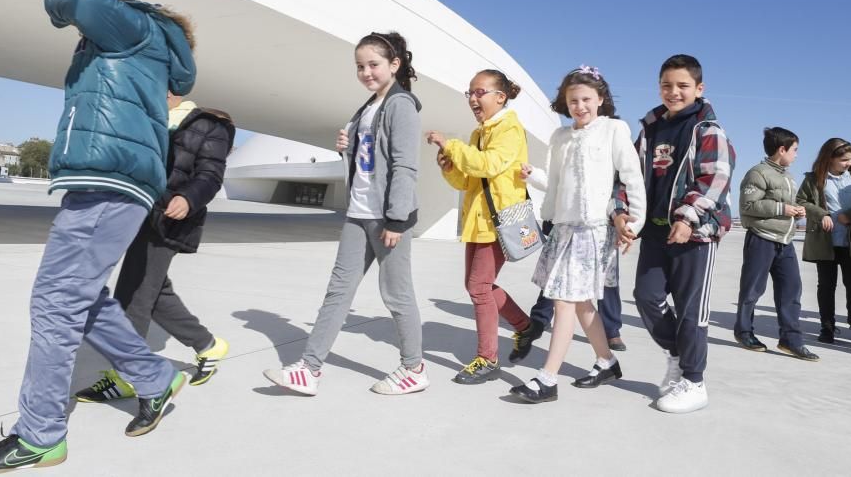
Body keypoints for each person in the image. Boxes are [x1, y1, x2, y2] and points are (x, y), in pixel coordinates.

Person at [0, 0, 196, 474]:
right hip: (108, 181)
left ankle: (40, 435)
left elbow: (78, 1)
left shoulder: (132, 25)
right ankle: (154, 378)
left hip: (109, 183)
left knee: (53, 304)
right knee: (80, 297)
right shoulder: (134, 37)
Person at [264, 32, 427, 395]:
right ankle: (308, 368)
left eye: (374, 64)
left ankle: (414, 368)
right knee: (338, 292)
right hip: (358, 212)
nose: (366, 72)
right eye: (360, 66)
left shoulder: (401, 105)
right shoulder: (369, 106)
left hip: (387, 217)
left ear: (394, 65)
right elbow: (370, 164)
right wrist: (348, 148)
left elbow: (405, 167)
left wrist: (397, 220)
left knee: (397, 295)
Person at [74, 92, 236, 402]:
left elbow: (210, 175)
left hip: (170, 217)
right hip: (135, 213)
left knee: (134, 295)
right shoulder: (143, 117)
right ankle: (208, 345)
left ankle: (129, 377)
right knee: (154, 290)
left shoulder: (208, 124)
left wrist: (188, 198)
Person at [508, 66, 645, 403]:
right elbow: (554, 182)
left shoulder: (614, 129)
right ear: (564, 103)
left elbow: (632, 177)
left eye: (586, 99)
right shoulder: (560, 137)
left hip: (595, 230)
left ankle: (547, 378)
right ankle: (606, 362)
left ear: (600, 99)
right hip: (564, 228)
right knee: (582, 304)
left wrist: (634, 222)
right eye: (573, 100)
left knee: (564, 301)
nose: (579, 105)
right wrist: (532, 175)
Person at [612, 54, 735, 414]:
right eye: (667, 85)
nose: (674, 92)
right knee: (646, 296)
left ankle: (694, 382)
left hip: (695, 234)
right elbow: (628, 176)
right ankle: (678, 355)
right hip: (654, 231)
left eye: (682, 85)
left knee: (691, 311)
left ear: (699, 88)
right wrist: (621, 212)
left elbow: (715, 179)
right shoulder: (649, 128)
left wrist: (688, 218)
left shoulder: (708, 130)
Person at [425, 69, 541, 384]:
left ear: (500, 97)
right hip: (478, 220)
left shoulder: (509, 129)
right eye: (470, 93)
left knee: (478, 287)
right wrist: (449, 166)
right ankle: (525, 325)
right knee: (477, 285)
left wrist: (451, 145)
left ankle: (487, 359)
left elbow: (490, 164)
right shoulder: (479, 132)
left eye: (480, 92)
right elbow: (469, 179)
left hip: (500, 220)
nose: (473, 99)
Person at [734, 127, 818, 361]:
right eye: (795, 150)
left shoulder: (788, 176)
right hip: (761, 239)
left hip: (785, 241)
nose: (797, 154)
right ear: (782, 149)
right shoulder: (757, 173)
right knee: (752, 290)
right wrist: (782, 208)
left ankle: (791, 340)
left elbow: (787, 206)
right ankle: (743, 331)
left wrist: (797, 212)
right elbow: (748, 207)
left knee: (791, 290)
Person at [797, 138, 851, 344]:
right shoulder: (814, 179)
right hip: (825, 242)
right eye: (844, 159)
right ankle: (827, 326)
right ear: (829, 158)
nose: (849, 163)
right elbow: (802, 201)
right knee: (826, 286)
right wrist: (821, 214)